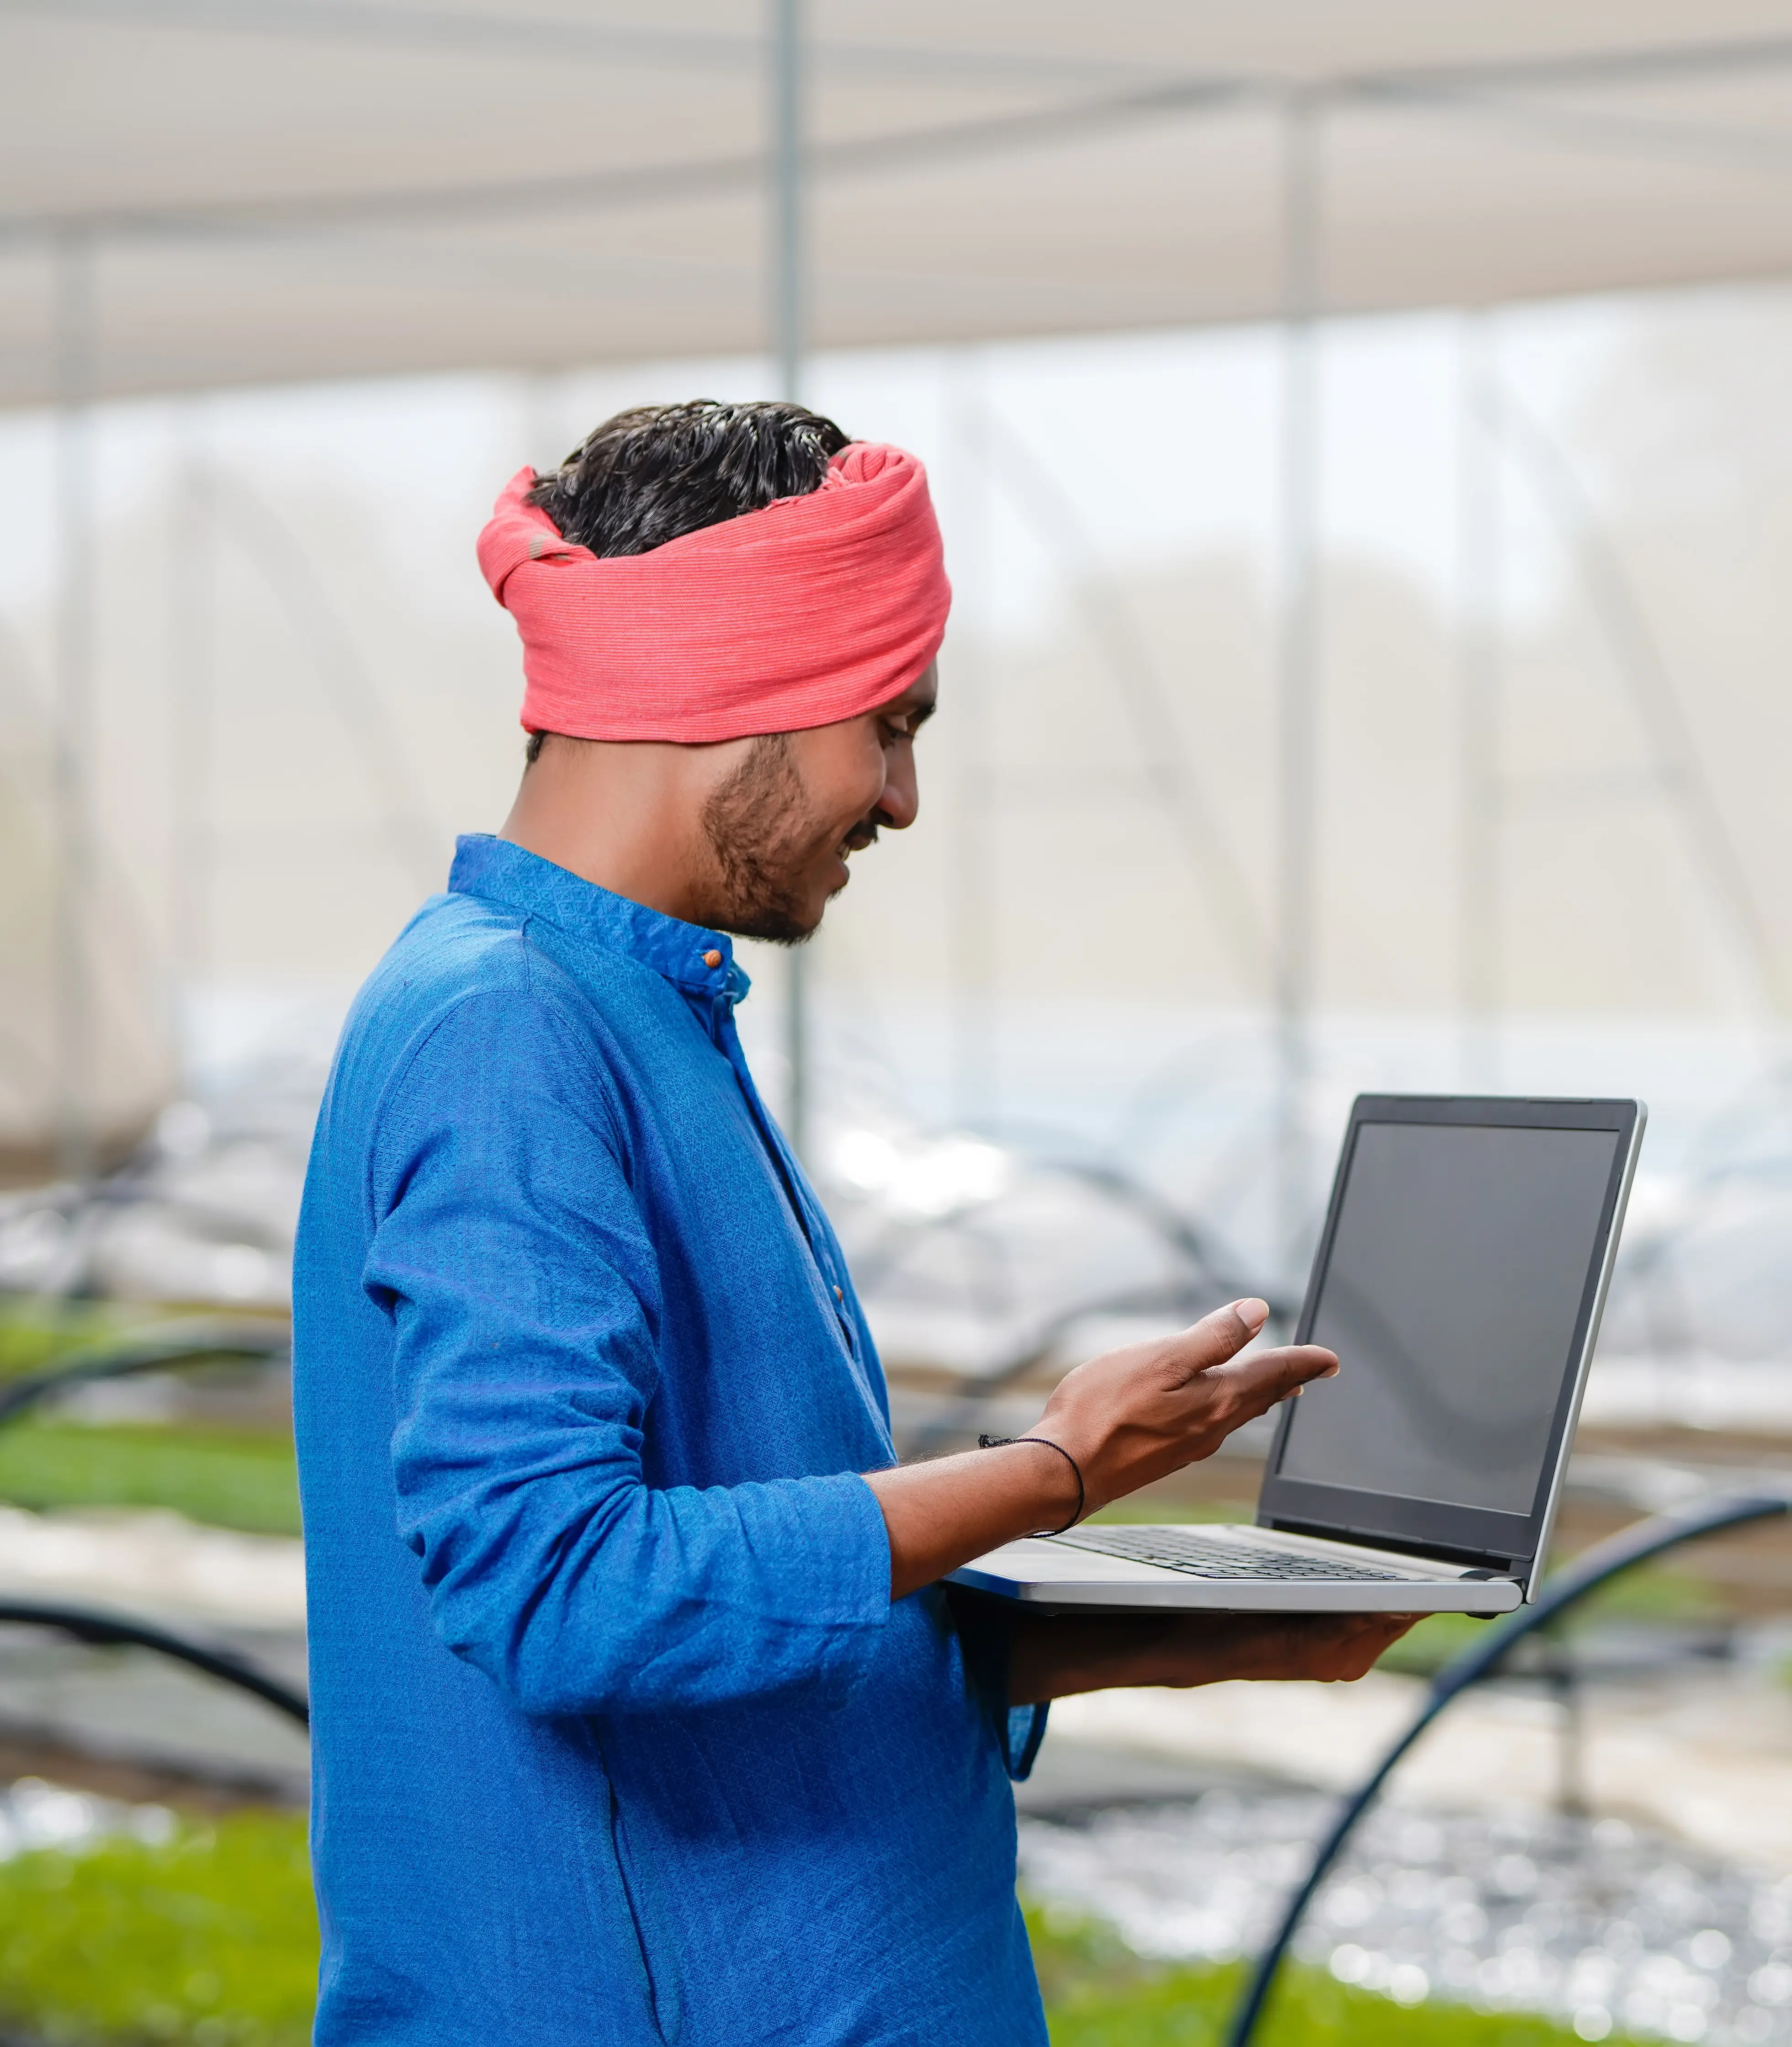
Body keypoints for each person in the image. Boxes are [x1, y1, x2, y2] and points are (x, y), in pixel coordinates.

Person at [290, 399, 1419, 2046]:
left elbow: (733, 1603)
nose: (897, 799)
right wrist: (1054, 1474)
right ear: (728, 682)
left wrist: (1199, 1632)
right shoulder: (512, 1032)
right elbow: (560, 1590)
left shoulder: (635, 1010)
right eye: (886, 726)